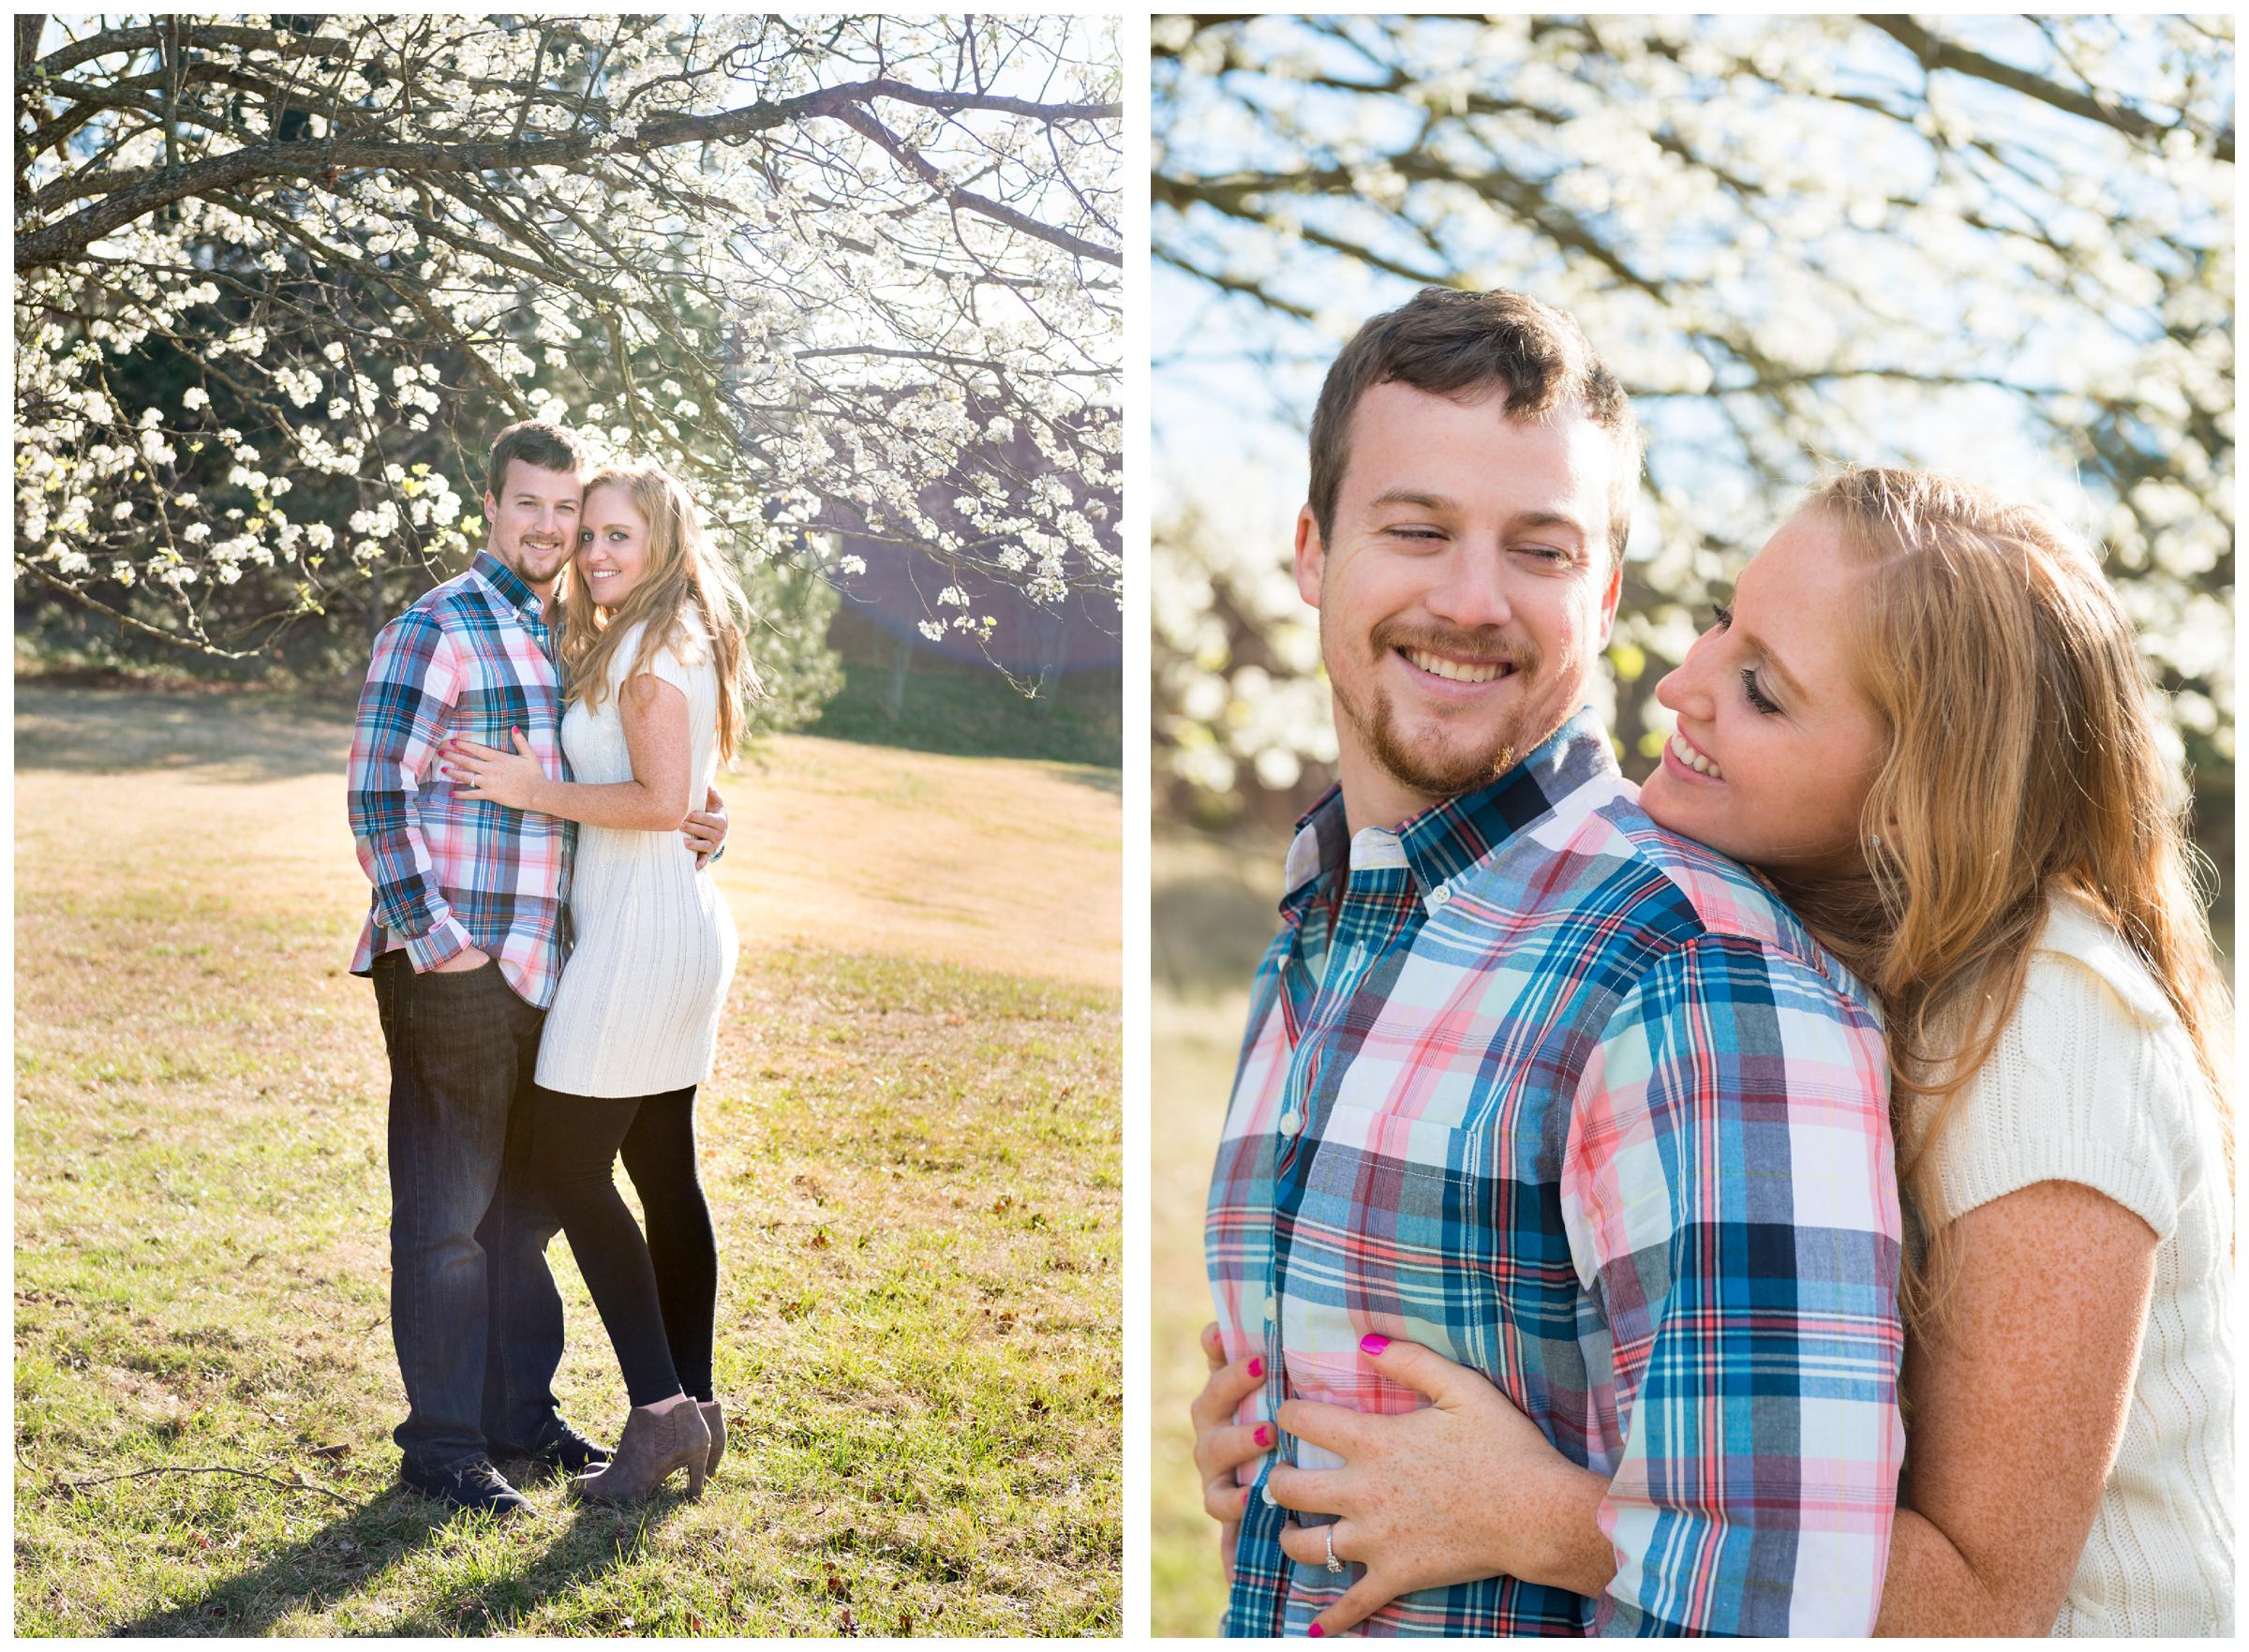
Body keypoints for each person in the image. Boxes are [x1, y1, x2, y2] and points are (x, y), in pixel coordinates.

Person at [1196, 469, 2235, 1636]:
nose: (1684, 682)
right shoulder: (1798, 933)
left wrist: (1534, 1513)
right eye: (1722, 624)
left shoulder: (2056, 1030)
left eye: (1763, 691)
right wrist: (1302, 1417)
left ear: (1909, 796)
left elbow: (1984, 1607)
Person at [1193, 287, 1904, 1636]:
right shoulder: (1329, 916)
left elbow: (1782, 1593)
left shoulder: (1690, 971)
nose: (1471, 600)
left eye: (1540, 549)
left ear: (1608, 590)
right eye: (1416, 530)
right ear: (1311, 549)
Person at [348, 421, 731, 1518]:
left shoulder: (570, 632)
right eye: (535, 507)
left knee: (521, 1213)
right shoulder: (439, 625)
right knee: (448, 1215)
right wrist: (439, 941)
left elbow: (637, 770)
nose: (556, 530)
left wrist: (699, 816)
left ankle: (521, 1414)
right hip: (456, 965)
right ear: (492, 505)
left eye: (572, 513)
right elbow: (378, 794)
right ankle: (445, 1442)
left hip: (554, 963)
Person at [442, 460, 752, 1502]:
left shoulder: (652, 647)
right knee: (664, 1171)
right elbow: (692, 791)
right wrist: (703, 809)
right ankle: (698, 1407)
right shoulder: (651, 635)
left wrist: (538, 786)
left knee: (570, 1172)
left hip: (640, 940)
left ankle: (661, 1409)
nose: (599, 552)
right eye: (592, 535)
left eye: (622, 536)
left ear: (664, 544)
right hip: (667, 922)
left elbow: (665, 797)